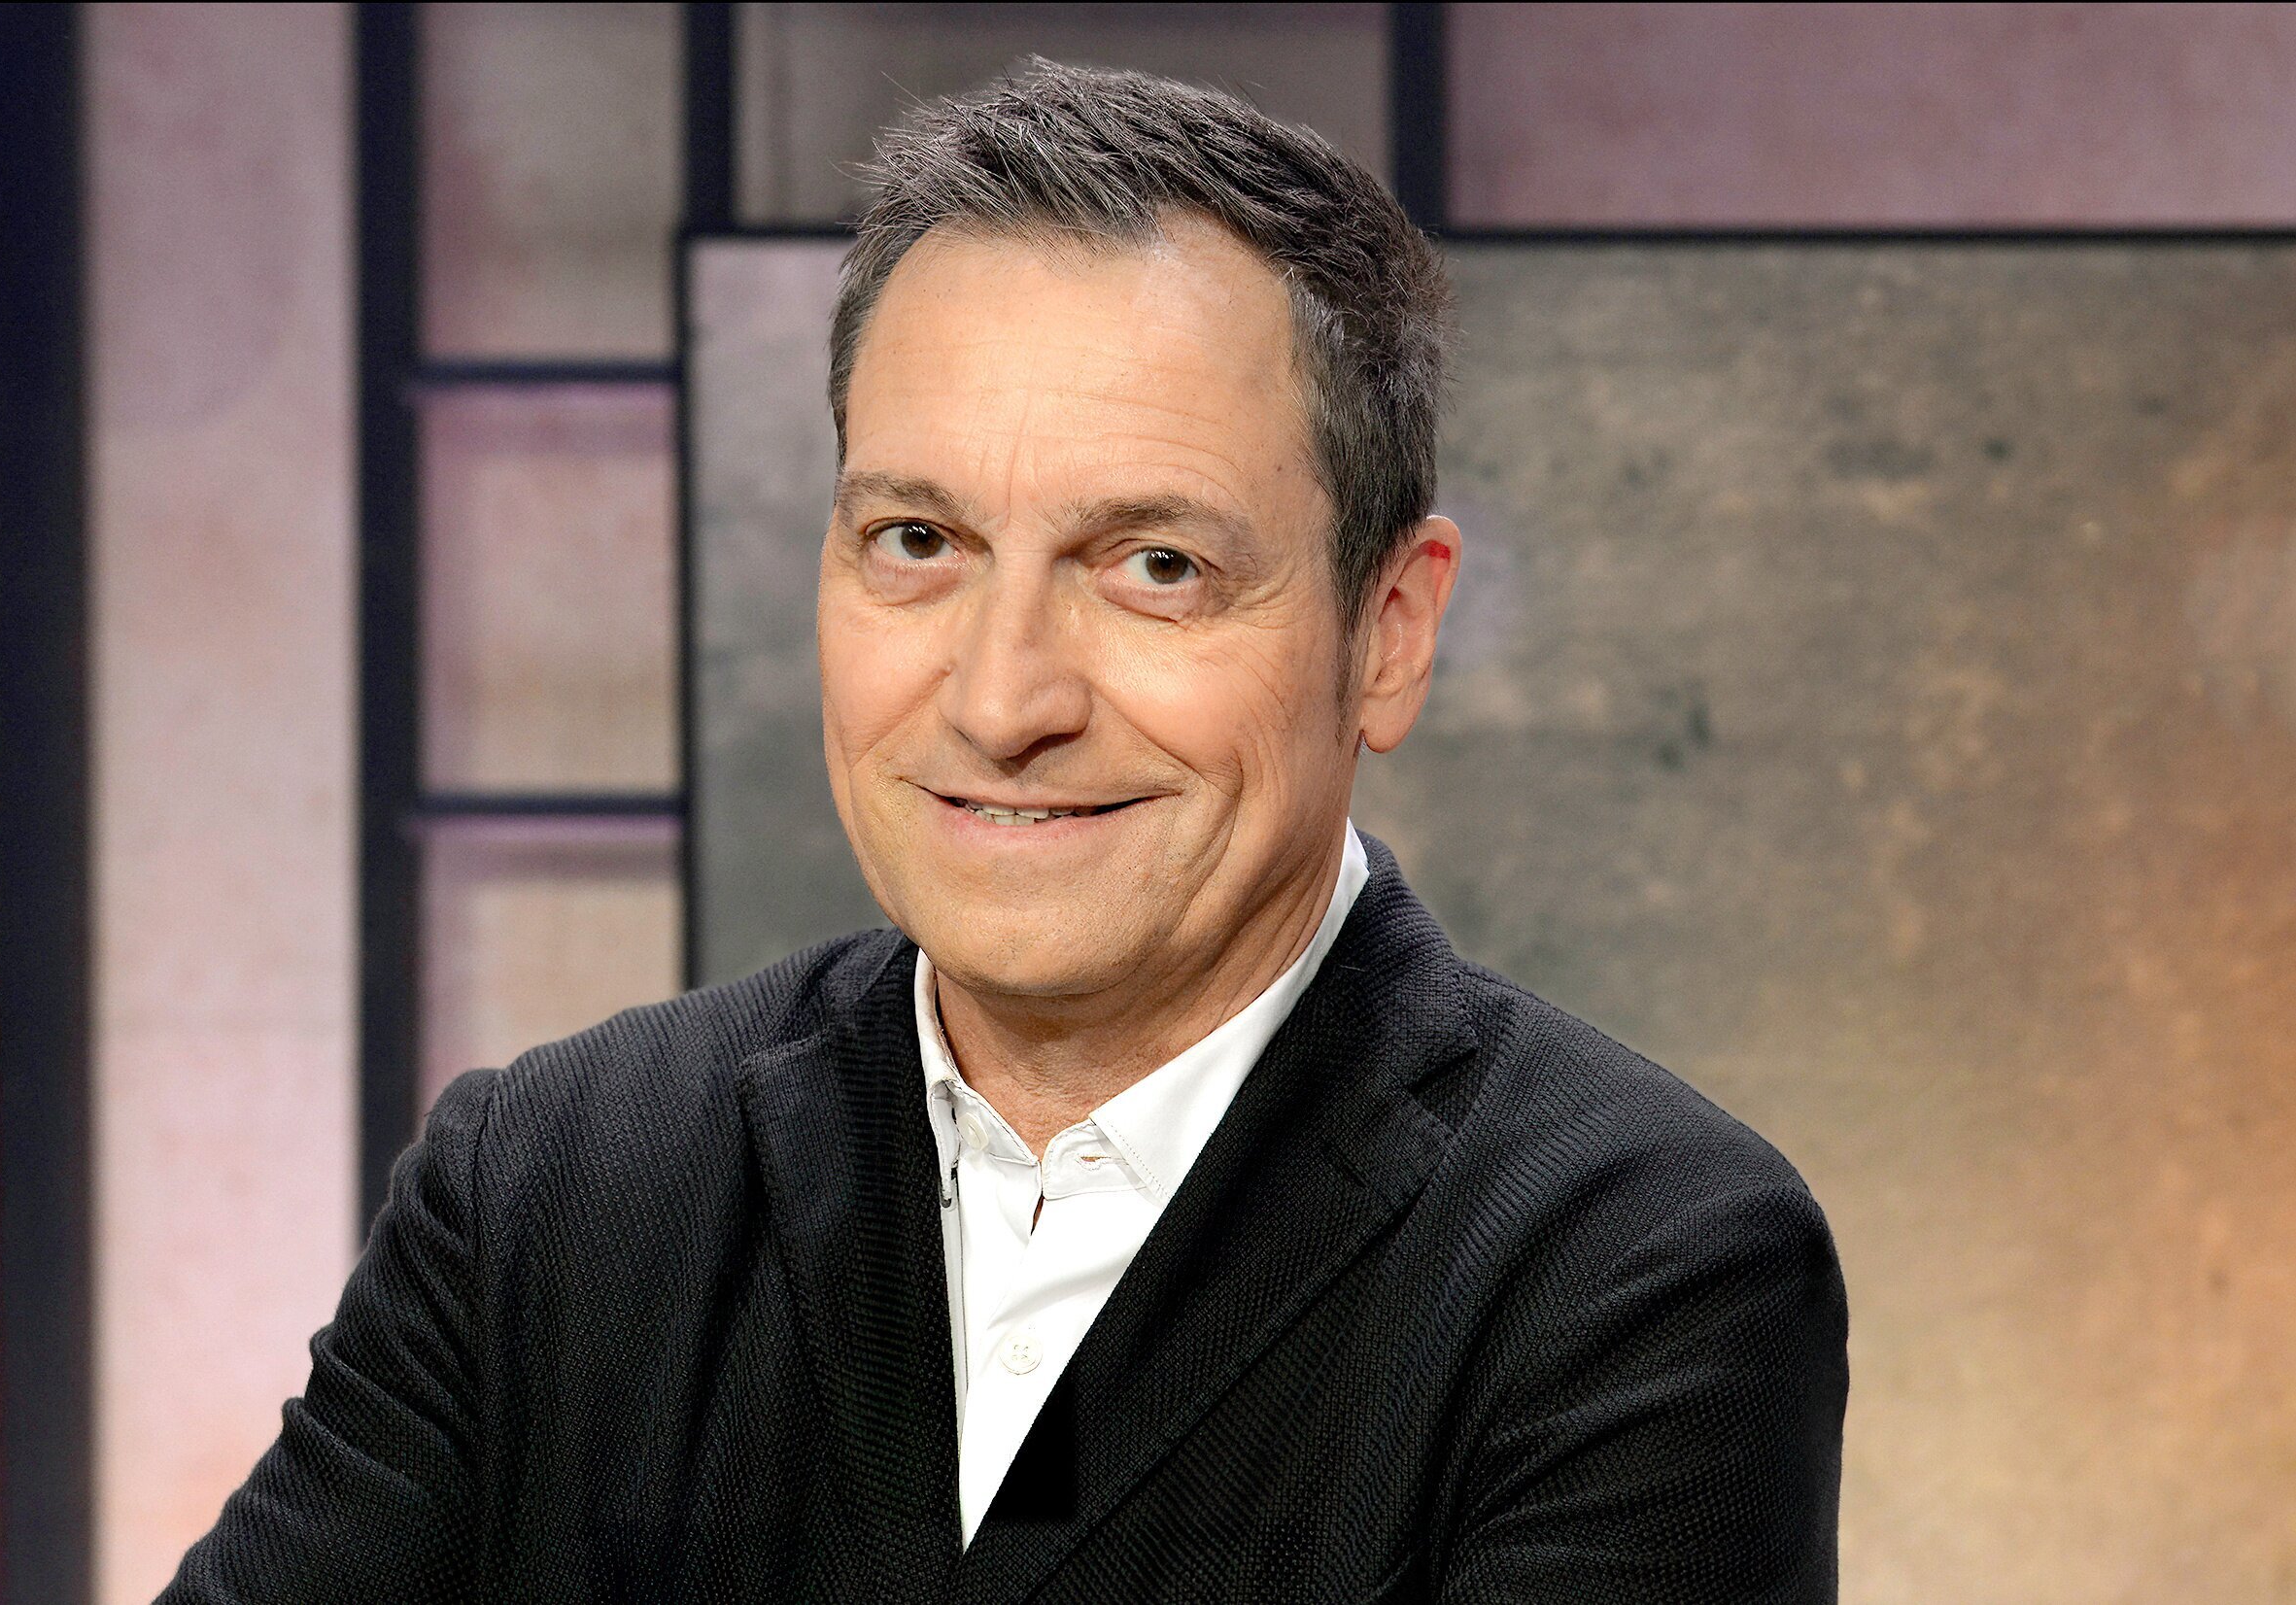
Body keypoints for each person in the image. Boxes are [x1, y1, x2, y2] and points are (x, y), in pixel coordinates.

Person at [159, 61, 1845, 1605]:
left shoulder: (1636, 1270)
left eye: (1155, 567)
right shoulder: (546, 1194)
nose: (999, 698)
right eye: (917, 542)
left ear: (1387, 634)